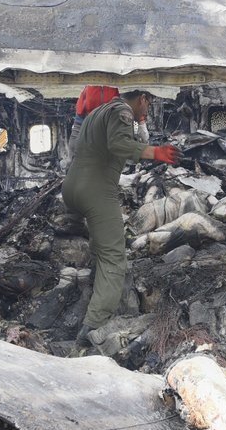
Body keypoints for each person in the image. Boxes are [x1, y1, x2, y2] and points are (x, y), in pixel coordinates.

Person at [63, 90, 182, 346]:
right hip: (96, 191)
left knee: (100, 246)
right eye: (149, 103)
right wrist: (156, 152)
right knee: (114, 258)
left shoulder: (98, 112)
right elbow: (118, 144)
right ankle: (91, 329)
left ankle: (92, 290)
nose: (147, 110)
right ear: (142, 98)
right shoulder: (122, 111)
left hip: (72, 186)